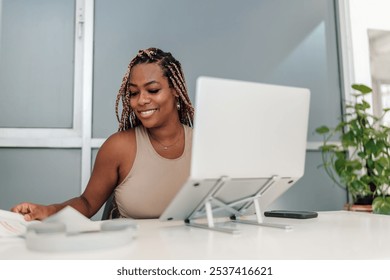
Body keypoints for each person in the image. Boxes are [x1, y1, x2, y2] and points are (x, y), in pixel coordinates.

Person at [11, 47, 195, 220]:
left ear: (175, 91)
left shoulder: (203, 143)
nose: (141, 100)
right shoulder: (119, 147)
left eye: (152, 90)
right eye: (133, 93)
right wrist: (46, 211)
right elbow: (87, 203)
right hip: (132, 252)